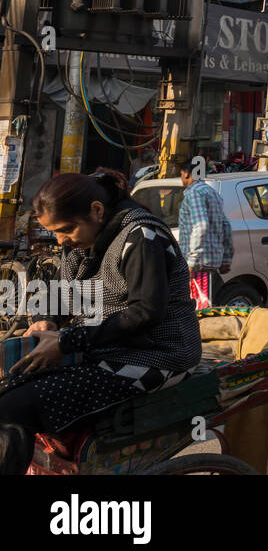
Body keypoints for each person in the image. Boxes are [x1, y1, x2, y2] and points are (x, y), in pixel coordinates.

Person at [0, 170, 201, 475]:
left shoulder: (142, 236)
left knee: (14, 407)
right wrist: (46, 322)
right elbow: (61, 295)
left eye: (67, 229)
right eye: (54, 232)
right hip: (103, 349)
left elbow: (145, 313)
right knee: (8, 386)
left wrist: (68, 342)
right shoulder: (77, 245)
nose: (61, 239)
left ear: (96, 210)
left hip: (157, 357)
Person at [176, 160, 233, 306]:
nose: (182, 178)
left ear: (188, 174)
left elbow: (200, 225)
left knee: (199, 313)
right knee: (208, 309)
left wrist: (191, 262)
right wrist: (226, 258)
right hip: (210, 265)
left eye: (181, 174)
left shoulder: (194, 194)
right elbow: (225, 226)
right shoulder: (211, 193)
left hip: (198, 267)